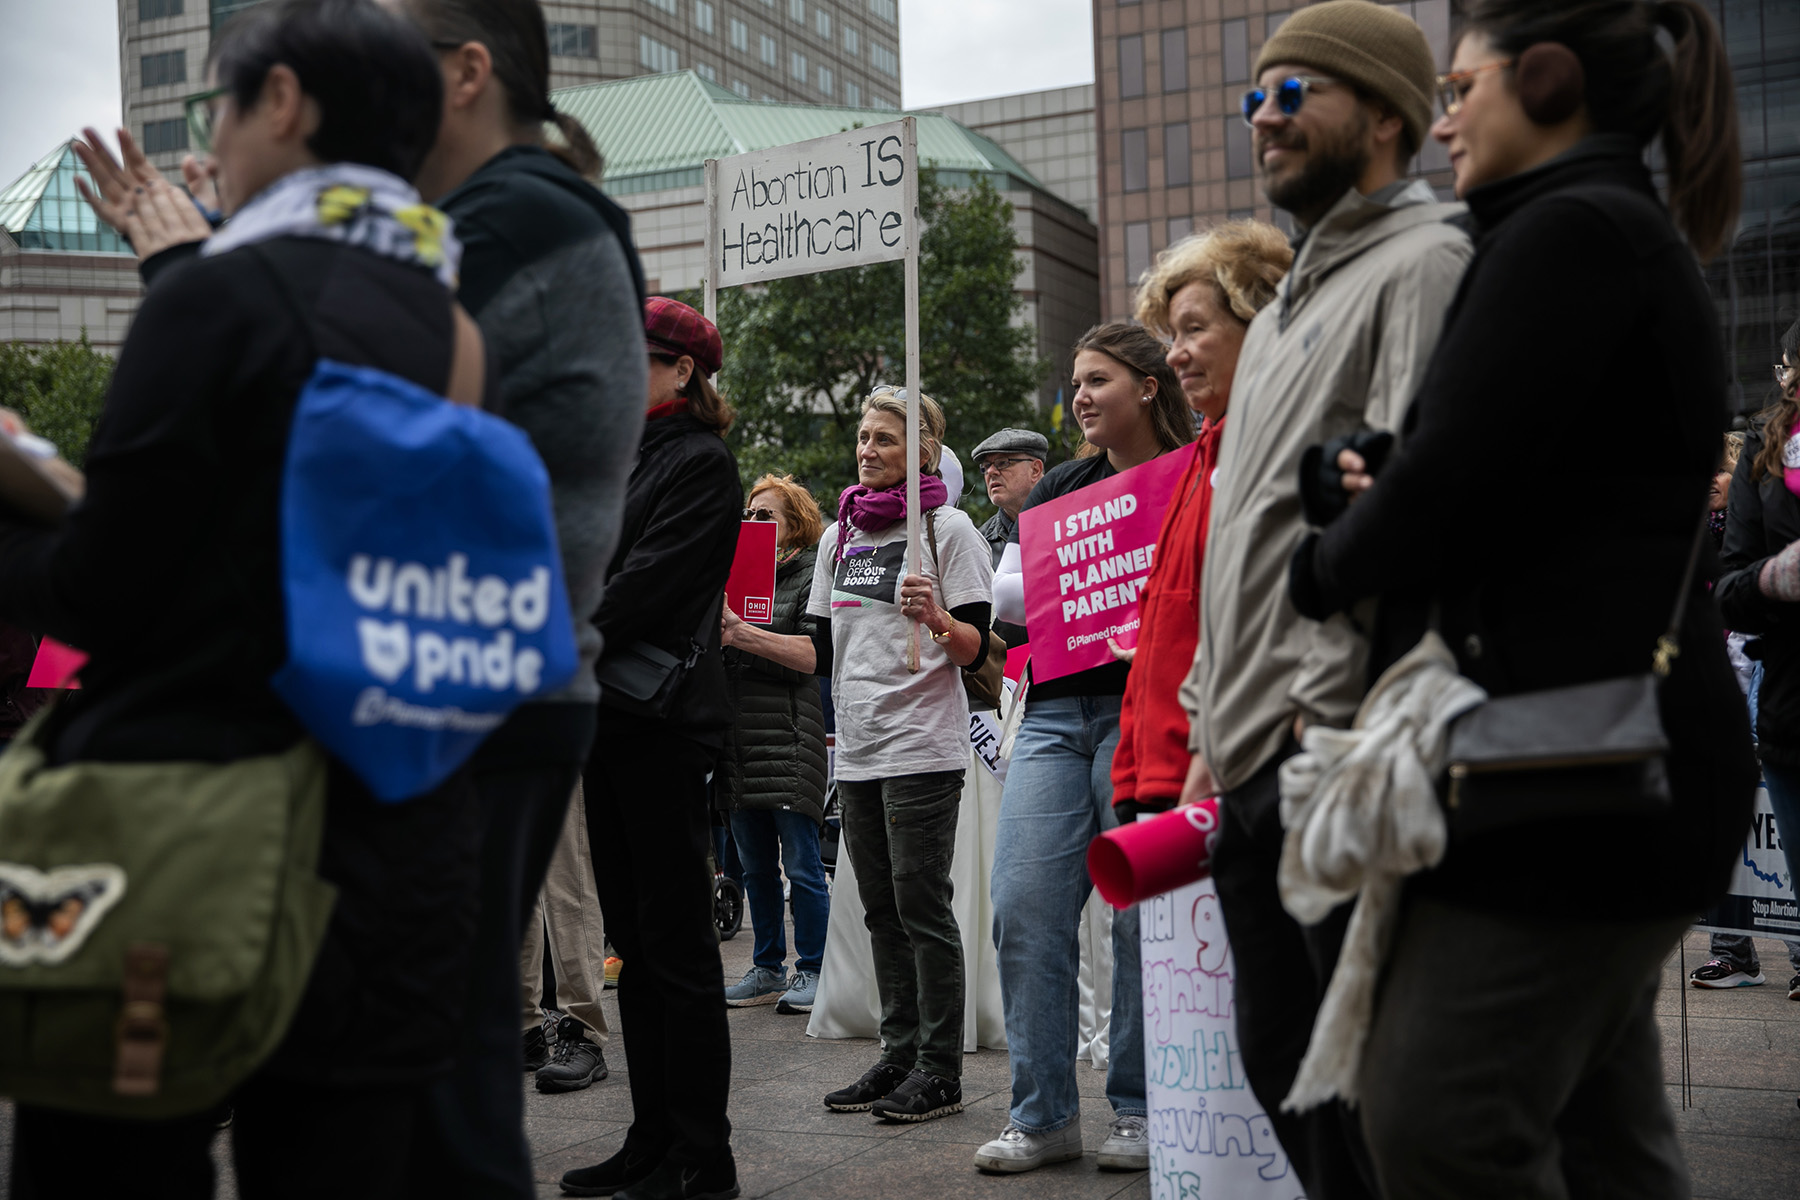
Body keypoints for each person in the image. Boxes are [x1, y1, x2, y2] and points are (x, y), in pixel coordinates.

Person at [5, 2, 490, 1194]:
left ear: (283, 103)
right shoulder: (446, 322)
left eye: (220, 103)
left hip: (188, 838)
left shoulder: (215, 299)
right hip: (387, 858)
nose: (212, 136)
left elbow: (102, 598)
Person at [1286, 1, 1759, 1193]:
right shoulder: (1594, 231)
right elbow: (1526, 478)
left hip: (1576, 780)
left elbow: (1454, 486)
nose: (1446, 120)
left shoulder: (1570, 235)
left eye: (1461, 90)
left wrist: (1326, 561)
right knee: (1606, 1143)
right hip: (1604, 763)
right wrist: (1383, 478)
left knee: (1439, 1116)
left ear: (1545, 81)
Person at [1176, 3, 1472, 1195]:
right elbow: (1250, 533)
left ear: (1389, 116)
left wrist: (1322, 710)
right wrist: (1210, 722)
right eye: (1257, 94)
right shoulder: (1296, 294)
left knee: (1369, 1107)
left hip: (1333, 749)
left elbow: (1402, 507)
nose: (1265, 113)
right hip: (1246, 755)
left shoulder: (1427, 261)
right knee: (1282, 1070)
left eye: (1297, 91)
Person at [387, 0, 648, 1183]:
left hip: (472, 697)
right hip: (482, 689)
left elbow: (342, 421)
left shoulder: (509, 222)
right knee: (439, 1053)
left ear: (465, 71)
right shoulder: (490, 220)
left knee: (430, 1065)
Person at [721, 387, 993, 1124]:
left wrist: (937, 618)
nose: (866, 449)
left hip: (922, 749)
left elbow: (973, 647)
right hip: (861, 753)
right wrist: (738, 632)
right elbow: (820, 649)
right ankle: (898, 1053)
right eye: (864, 437)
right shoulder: (841, 536)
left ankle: (939, 1069)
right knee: (879, 909)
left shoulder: (949, 530)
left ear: (924, 452)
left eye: (884, 439)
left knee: (920, 906)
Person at [976, 323, 1191, 1174]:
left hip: (1149, 716)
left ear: (1147, 384)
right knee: (1022, 904)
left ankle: (1137, 1109)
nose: (1082, 395)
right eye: (1075, 382)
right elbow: (1018, 607)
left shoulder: (1195, 474)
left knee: (1141, 919)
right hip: (1057, 719)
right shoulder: (1062, 483)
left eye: (1099, 378)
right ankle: (1043, 1114)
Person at [559, 297, 741, 1199]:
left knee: (675, 948)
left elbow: (641, 589)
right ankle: (651, 1139)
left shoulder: (701, 463)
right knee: (632, 944)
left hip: (661, 725)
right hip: (608, 716)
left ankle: (703, 1156)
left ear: (682, 372)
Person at [1109, 223, 1292, 820]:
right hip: (1169, 769)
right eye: (1170, 334)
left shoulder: (1279, 446)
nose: (1174, 352)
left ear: (1258, 324)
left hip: (1226, 774)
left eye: (1194, 329)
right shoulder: (1205, 454)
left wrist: (1208, 759)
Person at [716, 474, 831, 1015]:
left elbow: (812, 655)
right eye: (750, 514)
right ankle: (766, 967)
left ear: (797, 524)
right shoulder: (729, 573)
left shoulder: (814, 571)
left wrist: (739, 633)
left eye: (767, 516)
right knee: (754, 864)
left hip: (787, 736)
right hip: (738, 742)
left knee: (803, 866)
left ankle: (814, 968)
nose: (755, 523)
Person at [1714, 321, 1800, 1005]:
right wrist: (1779, 576)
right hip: (1788, 714)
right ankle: (1738, 948)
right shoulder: (1764, 463)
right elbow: (1731, 591)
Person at [971, 428, 1049, 568]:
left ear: (1035, 470)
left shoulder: (1072, 521)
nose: (990, 472)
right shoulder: (980, 543)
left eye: (1002, 463)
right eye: (986, 466)